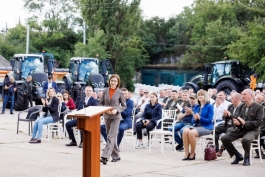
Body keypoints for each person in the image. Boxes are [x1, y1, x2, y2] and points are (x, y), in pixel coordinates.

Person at [221, 89, 263, 166]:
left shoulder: (259, 107)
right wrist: (229, 116)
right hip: (241, 129)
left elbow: (258, 122)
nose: (242, 96)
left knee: (246, 140)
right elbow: (237, 118)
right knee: (224, 138)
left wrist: (244, 123)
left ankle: (247, 157)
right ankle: (237, 155)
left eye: (244, 94)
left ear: (250, 95)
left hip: (253, 130)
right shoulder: (241, 106)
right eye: (242, 94)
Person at [100, 74, 126, 165]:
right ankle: (116, 156)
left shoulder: (120, 92)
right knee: (111, 136)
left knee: (110, 136)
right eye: (112, 80)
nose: (113, 82)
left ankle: (105, 156)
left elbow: (124, 106)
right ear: (109, 81)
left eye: (115, 81)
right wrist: (104, 110)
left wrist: (116, 110)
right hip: (106, 116)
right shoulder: (105, 91)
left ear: (118, 82)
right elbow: (101, 103)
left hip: (116, 117)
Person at [182, 89, 214, 161]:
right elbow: (193, 120)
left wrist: (200, 118)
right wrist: (195, 119)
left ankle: (193, 153)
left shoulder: (209, 106)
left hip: (206, 127)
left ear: (205, 96)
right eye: (199, 95)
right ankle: (186, 153)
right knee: (185, 131)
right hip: (197, 126)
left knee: (191, 133)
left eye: (202, 95)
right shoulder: (197, 107)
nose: (200, 96)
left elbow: (209, 120)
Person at [215, 92, 242, 157]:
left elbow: (239, 118)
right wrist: (225, 115)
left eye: (232, 98)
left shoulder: (242, 107)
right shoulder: (230, 106)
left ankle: (221, 149)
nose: (230, 99)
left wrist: (230, 115)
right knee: (215, 130)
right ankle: (216, 148)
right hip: (227, 124)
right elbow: (224, 118)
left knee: (228, 131)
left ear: (237, 99)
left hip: (235, 126)